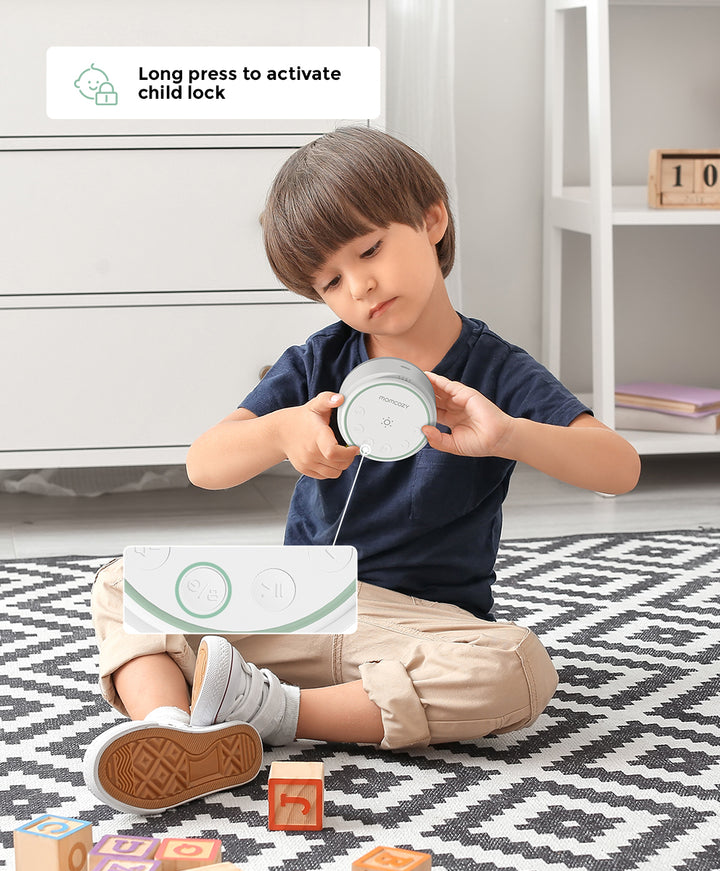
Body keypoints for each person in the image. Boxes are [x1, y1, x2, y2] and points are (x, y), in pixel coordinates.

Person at [85, 126, 641, 814]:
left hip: (417, 628)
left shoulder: (496, 372)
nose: (361, 286)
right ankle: (168, 731)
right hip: (301, 604)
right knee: (125, 582)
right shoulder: (321, 361)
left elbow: (619, 469)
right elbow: (204, 464)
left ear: (432, 219)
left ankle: (272, 711)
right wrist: (282, 429)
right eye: (331, 281)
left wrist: (512, 435)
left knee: (517, 667)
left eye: (370, 249)